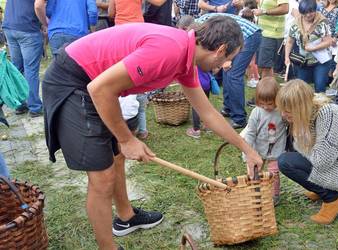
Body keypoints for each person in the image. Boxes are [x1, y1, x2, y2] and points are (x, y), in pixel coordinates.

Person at [42, 17, 263, 250]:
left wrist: (247, 150)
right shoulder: (169, 50)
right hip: (73, 83)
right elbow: (99, 88)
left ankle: (127, 217)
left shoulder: (185, 58)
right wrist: (126, 139)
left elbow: (208, 113)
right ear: (220, 50)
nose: (227, 65)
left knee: (116, 157)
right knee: (103, 177)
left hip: (94, 85)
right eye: (229, 58)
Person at [276, 79, 338, 224]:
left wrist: (299, 134)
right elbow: (303, 149)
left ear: (301, 106)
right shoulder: (309, 113)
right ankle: (321, 187)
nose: (283, 115)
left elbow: (321, 161)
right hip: (335, 162)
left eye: (288, 111)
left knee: (286, 162)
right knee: (290, 158)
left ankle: (332, 200)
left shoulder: (328, 114)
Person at [197, 13, 262, 129]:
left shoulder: (201, 26)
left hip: (249, 36)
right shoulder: (200, 25)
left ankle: (239, 118)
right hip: (235, 38)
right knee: (228, 71)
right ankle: (228, 107)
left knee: (234, 75)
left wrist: (226, 60)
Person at [241, 77, 286, 205]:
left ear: (277, 99)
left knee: (274, 173)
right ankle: (255, 191)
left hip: (276, 150)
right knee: (255, 171)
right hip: (258, 150)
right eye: (262, 104)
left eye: (270, 103)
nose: (266, 107)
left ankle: (274, 195)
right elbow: (250, 133)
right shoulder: (256, 113)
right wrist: (248, 153)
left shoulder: (281, 112)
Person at [2, 0, 44, 117]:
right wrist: (44, 23)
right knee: (30, 70)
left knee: (17, 69)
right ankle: (35, 107)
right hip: (27, 28)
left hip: (9, 26)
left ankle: (19, 105)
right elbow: (39, 5)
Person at [285, 0, 332, 93]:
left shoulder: (322, 22)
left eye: (311, 12)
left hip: (321, 61)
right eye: (304, 13)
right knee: (301, 88)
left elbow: (328, 41)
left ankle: (321, 106)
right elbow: (290, 42)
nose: (308, 15)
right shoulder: (295, 23)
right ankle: (304, 106)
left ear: (315, 10)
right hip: (303, 61)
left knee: (319, 87)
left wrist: (313, 48)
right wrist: (286, 57)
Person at [252, 0, 289, 79]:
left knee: (265, 67)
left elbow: (285, 8)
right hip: (264, 32)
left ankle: (266, 90)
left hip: (272, 34)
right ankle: (270, 88)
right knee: (266, 66)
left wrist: (264, 11)